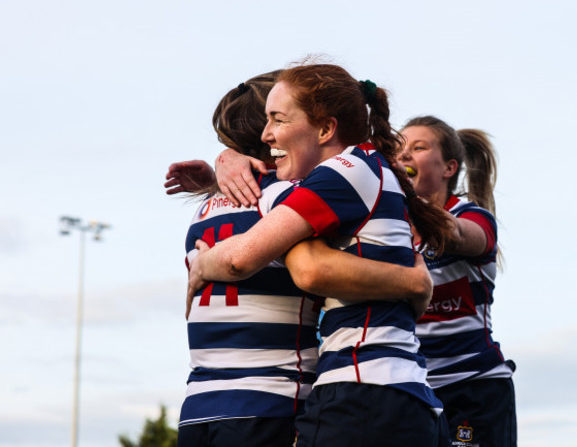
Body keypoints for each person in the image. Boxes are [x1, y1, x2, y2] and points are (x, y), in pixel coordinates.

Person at [186, 63, 451, 446]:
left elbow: (262, 262)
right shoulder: (365, 167)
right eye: (265, 121)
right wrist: (226, 162)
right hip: (393, 387)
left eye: (278, 119)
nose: (268, 133)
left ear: (326, 128)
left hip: (360, 392)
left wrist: (204, 262)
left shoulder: (342, 172)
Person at [398, 115, 516, 447]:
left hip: (474, 387)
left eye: (418, 147)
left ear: (449, 168)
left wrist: (411, 204)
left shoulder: (472, 215)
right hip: (414, 389)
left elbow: (461, 235)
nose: (405, 155)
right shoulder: (391, 226)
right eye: (399, 148)